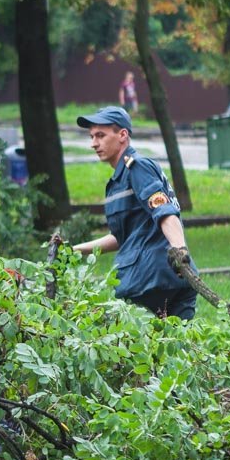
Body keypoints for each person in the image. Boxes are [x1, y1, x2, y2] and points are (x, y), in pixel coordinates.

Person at [71, 106, 198, 320]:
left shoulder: (137, 167)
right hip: (166, 278)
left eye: (100, 135)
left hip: (150, 281)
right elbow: (122, 237)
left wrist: (180, 251)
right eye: (91, 137)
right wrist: (74, 250)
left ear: (122, 135)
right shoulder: (119, 180)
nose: (94, 143)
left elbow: (165, 212)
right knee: (179, 340)